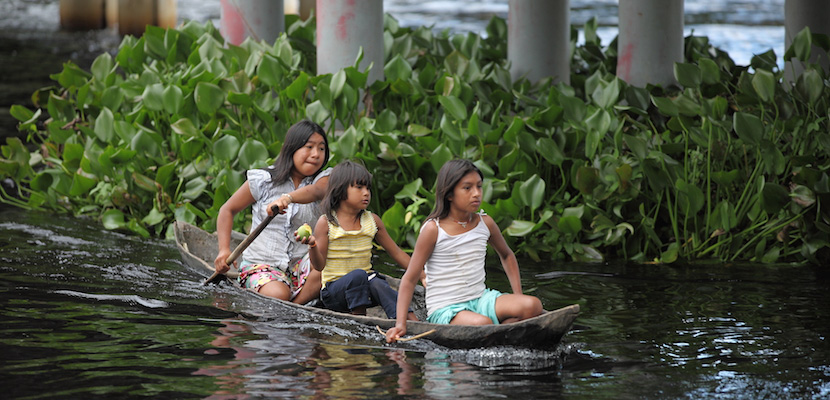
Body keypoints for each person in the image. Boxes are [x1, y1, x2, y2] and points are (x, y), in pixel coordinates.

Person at [386, 159, 543, 343]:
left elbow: (507, 255)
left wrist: (518, 295)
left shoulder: (486, 223)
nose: (476, 194)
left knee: (533, 306)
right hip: (446, 309)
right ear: (450, 194)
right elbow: (410, 278)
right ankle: (497, 330)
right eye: (467, 188)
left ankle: (498, 331)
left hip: (481, 299)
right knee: (483, 324)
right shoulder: (433, 229)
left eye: (479, 186)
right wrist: (400, 324)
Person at [214, 119, 330, 305]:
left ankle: (296, 305)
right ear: (292, 149)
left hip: (303, 266)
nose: (316, 154)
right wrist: (223, 250)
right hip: (263, 265)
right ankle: (289, 301)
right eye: (309, 147)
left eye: (321, 148)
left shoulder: (324, 180)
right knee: (277, 294)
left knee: (333, 265)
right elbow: (228, 209)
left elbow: (317, 192)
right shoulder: (265, 180)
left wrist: (287, 198)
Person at [299, 161, 417, 320]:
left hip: (364, 287)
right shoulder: (326, 222)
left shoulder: (372, 220)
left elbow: (395, 252)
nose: (366, 193)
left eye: (368, 188)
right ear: (340, 190)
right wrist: (312, 245)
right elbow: (318, 266)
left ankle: (408, 320)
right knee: (358, 276)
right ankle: (360, 319)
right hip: (334, 293)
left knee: (377, 282)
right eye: (359, 188)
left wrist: (421, 275)